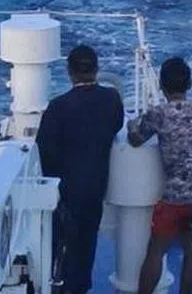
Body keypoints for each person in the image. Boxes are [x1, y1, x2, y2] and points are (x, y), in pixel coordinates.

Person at [36, 44, 125, 294]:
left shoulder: (57, 107)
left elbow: (44, 151)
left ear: (70, 72)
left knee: (57, 245)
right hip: (95, 186)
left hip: (64, 189)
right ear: (96, 70)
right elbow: (116, 126)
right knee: (86, 245)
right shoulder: (111, 99)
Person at [127, 56, 192, 294]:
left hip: (174, 196)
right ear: (190, 84)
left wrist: (132, 124)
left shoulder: (160, 114)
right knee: (191, 253)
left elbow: (135, 139)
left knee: (156, 250)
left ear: (162, 86)